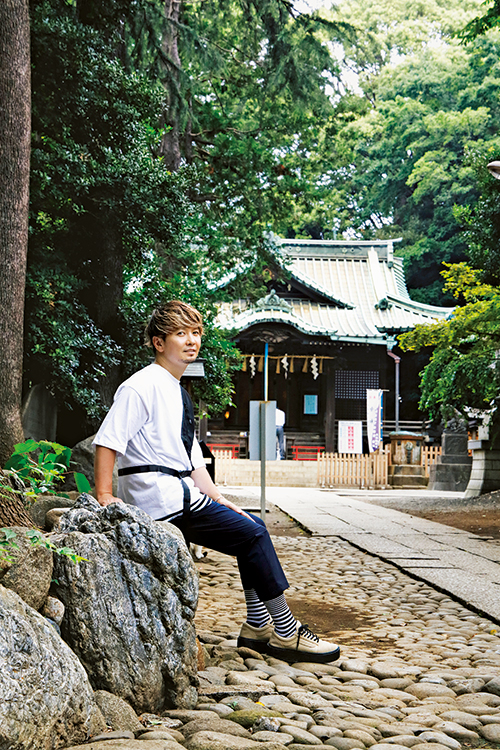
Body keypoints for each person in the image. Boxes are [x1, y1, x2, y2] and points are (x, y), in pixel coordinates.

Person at [93, 300, 340, 664]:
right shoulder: (140, 386)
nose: (191, 341)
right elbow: (107, 440)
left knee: (252, 524)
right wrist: (104, 495)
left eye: (195, 333)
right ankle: (286, 632)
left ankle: (257, 624)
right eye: (180, 334)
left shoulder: (177, 390)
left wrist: (220, 499)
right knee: (253, 535)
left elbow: (193, 463)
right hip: (159, 498)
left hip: (181, 493)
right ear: (159, 343)